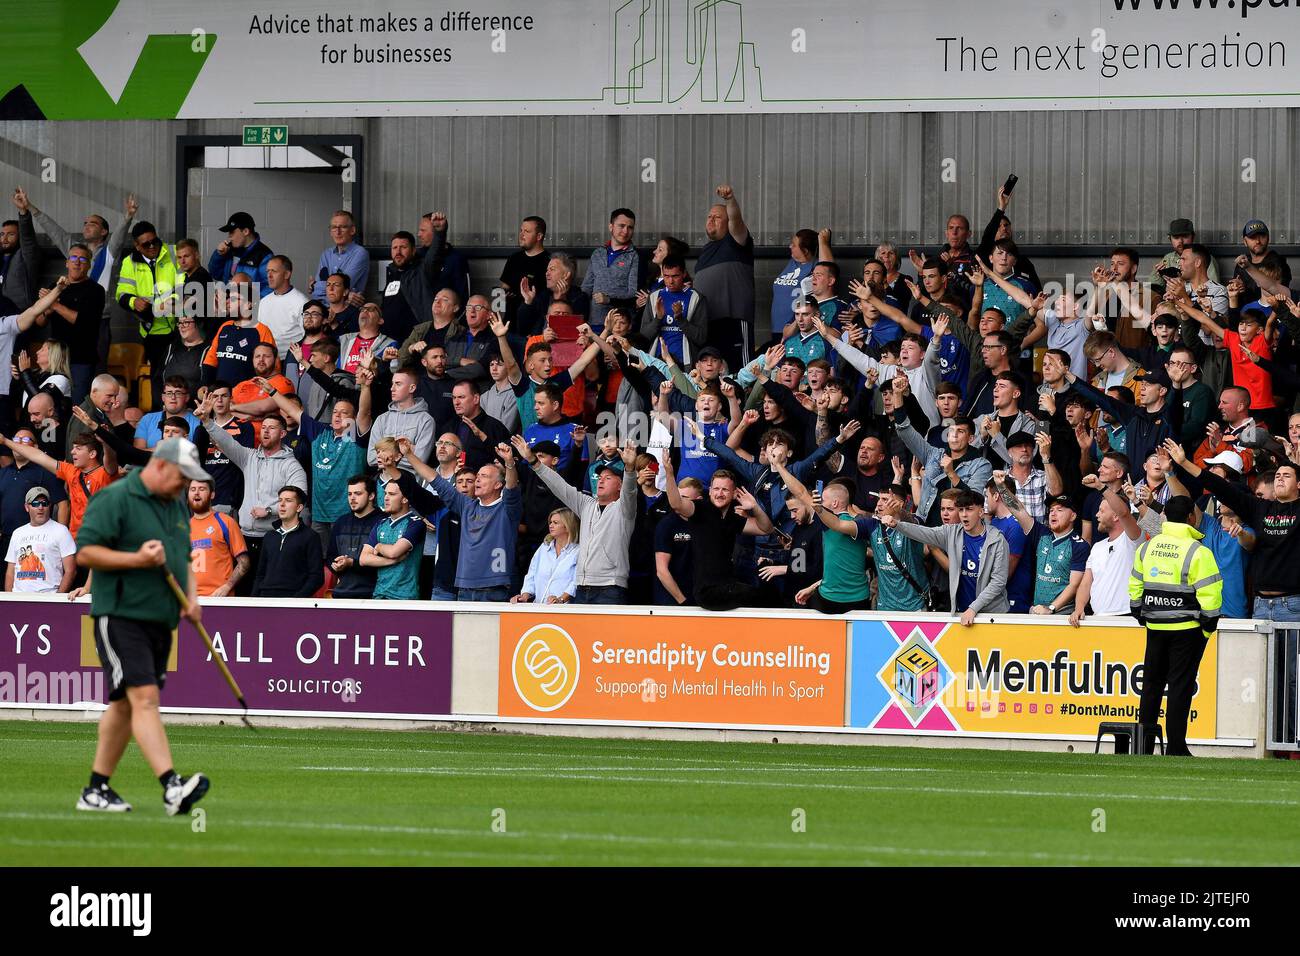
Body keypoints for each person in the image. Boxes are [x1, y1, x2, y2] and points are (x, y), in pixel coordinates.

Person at [73, 436, 212, 814]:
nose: (185, 486)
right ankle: (172, 786)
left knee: (123, 704)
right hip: (120, 613)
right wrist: (136, 559)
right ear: (161, 466)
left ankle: (95, 790)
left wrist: (193, 599)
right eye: (182, 477)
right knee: (144, 698)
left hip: (160, 618)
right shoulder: (115, 499)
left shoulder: (176, 506)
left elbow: (182, 556)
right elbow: (86, 551)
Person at [1128, 495, 1222, 756]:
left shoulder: (1147, 547)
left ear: (1165, 517)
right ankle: (1176, 746)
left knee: (1151, 685)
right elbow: (1210, 595)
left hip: (1155, 626)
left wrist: (1141, 613)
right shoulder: (1198, 551)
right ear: (1191, 518)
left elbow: (1135, 584)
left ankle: (1144, 745)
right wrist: (1206, 628)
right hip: (1187, 629)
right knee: (1180, 686)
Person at [511, 435, 638, 604]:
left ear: (620, 485)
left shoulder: (623, 509)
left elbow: (630, 492)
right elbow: (559, 486)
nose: (601, 481)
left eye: (608, 478)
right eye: (599, 478)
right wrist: (533, 461)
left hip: (610, 587)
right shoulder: (586, 504)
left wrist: (629, 469)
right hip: (581, 586)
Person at [880, 489, 1010, 625]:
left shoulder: (997, 540)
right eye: (961, 510)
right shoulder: (952, 532)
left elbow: (998, 582)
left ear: (981, 512)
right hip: (961, 612)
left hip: (992, 616)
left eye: (969, 509)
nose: (964, 515)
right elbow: (924, 532)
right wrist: (897, 525)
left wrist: (973, 608)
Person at [662, 456, 774, 612]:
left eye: (725, 489)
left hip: (727, 587)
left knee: (769, 595)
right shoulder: (699, 509)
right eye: (716, 489)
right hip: (708, 592)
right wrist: (669, 474)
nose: (719, 493)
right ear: (709, 492)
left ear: (734, 493)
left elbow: (766, 529)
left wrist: (755, 508)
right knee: (764, 597)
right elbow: (676, 503)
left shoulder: (733, 517)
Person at [0, 430, 116, 536]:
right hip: (76, 540)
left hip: (101, 540)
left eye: (78, 449)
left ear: (92, 454)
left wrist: (106, 443)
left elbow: (110, 460)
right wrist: (5, 441)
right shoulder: (71, 471)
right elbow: (37, 456)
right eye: (73, 448)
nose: (72, 452)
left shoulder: (105, 473)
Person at [693, 184, 754, 368]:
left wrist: (729, 200)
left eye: (717, 217)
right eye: (709, 216)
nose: (711, 220)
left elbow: (736, 219)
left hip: (733, 320)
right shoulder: (704, 251)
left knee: (740, 372)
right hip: (708, 323)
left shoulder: (736, 240)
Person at [1069, 486, 1144, 623]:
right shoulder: (1097, 547)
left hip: (1127, 616)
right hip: (1098, 617)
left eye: (1101, 511)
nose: (1097, 515)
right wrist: (1079, 607)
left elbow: (1124, 513)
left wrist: (1101, 487)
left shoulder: (1132, 539)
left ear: (1116, 516)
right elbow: (1086, 583)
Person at [1, 280, 69, 426]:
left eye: (44, 349)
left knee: (7, 443)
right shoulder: (37, 374)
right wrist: (21, 375)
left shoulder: (4, 325)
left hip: (2, 397)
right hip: (28, 420)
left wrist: (57, 290)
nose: (38, 351)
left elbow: (34, 311)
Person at [359, 481, 425, 601]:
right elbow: (364, 559)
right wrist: (393, 562)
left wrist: (378, 546)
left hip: (405, 597)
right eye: (385, 494)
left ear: (405, 499)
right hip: (379, 594)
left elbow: (394, 552)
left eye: (392, 494)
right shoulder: (380, 524)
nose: (386, 498)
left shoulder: (416, 523)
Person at [639, 255, 709, 365]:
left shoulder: (696, 298)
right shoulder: (654, 297)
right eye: (666, 276)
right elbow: (644, 336)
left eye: (675, 276)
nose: (670, 281)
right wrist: (658, 318)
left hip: (685, 364)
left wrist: (680, 319)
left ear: (684, 274)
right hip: (657, 362)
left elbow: (701, 338)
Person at [4, 486, 76, 594]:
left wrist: (57, 599)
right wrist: (9, 599)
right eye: (35, 503)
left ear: (49, 506)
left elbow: (71, 570)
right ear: (27, 507)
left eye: (44, 503)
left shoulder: (61, 531)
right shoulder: (17, 533)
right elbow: (10, 571)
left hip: (48, 597)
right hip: (18, 598)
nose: (40, 507)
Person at [363, 366, 437, 471]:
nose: (392, 388)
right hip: (384, 482)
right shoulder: (382, 419)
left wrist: (385, 458)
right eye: (392, 383)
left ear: (412, 388)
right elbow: (371, 458)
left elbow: (420, 460)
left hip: (411, 483)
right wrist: (408, 454)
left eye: (398, 384)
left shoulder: (426, 420)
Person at [187, 478, 249, 598]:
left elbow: (244, 563)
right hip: (191, 600)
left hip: (219, 599)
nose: (196, 493)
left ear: (212, 494)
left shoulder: (226, 522)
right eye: (192, 489)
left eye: (202, 489)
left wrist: (227, 587)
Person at [326, 475, 383, 600]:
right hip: (341, 594)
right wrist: (336, 565)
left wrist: (352, 563)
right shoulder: (341, 522)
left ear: (371, 496)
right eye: (349, 494)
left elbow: (384, 561)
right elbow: (330, 556)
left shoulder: (383, 522)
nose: (352, 498)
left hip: (374, 595)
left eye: (358, 493)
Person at [581, 208, 639, 328]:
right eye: (621, 226)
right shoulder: (598, 253)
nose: (625, 231)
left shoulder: (635, 256)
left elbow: (633, 294)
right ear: (611, 226)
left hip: (620, 325)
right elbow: (586, 287)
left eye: (630, 227)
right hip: (595, 321)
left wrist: (609, 299)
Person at [512, 508, 580, 605]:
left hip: (564, 610)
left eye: (555, 523)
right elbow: (531, 575)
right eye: (550, 522)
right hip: (539, 608)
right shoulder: (543, 548)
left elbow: (575, 582)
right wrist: (524, 596)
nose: (551, 525)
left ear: (567, 526)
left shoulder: (578, 551)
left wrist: (561, 599)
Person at [499, 216, 549, 325]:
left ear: (539, 236)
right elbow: (503, 288)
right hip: (509, 323)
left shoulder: (549, 262)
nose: (521, 235)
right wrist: (502, 296)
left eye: (527, 231)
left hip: (535, 324)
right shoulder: (514, 258)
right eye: (521, 230)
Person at [208, 211, 273, 294]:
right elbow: (215, 274)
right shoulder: (229, 249)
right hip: (228, 303)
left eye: (232, 232)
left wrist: (249, 303)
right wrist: (219, 255)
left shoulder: (264, 255)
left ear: (246, 231)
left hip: (248, 305)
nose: (229, 237)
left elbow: (269, 287)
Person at [257, 255, 308, 359]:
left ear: (287, 274)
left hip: (290, 361)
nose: (269, 275)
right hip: (266, 361)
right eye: (267, 271)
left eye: (274, 271)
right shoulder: (263, 302)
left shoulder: (302, 302)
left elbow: (308, 338)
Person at [311, 210, 369, 301]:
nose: (338, 232)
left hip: (346, 311)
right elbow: (316, 292)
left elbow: (341, 287)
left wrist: (318, 285)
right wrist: (346, 294)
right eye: (334, 227)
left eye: (343, 227)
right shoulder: (326, 255)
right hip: (323, 310)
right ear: (331, 232)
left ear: (352, 230)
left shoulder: (360, 253)